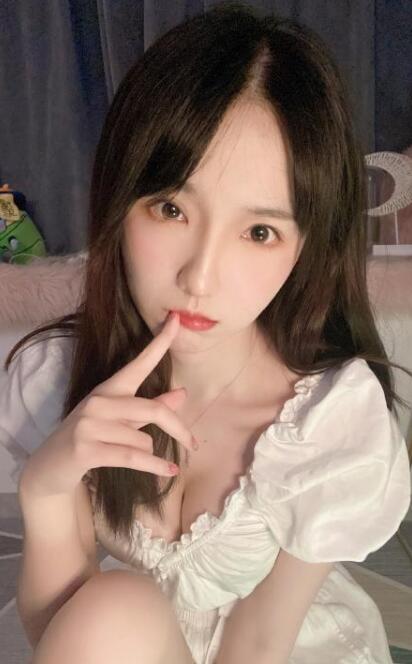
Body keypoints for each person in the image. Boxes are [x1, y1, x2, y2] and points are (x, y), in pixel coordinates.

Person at [1, 3, 411, 663]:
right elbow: (58, 626)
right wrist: (46, 489)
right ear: (119, 201)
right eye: (171, 209)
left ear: (305, 247)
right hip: (124, 638)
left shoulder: (327, 422)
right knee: (111, 608)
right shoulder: (59, 374)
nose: (200, 276)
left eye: (259, 232)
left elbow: (260, 642)